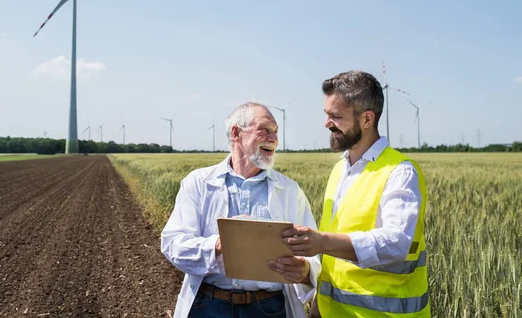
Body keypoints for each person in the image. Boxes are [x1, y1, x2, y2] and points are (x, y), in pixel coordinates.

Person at [281, 71, 430, 317]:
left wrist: (321, 241)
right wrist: (319, 302)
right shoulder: (340, 169)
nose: (327, 124)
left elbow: (396, 243)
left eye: (335, 116)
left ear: (367, 119)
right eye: (326, 115)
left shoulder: (401, 172)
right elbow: (335, 255)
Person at [161, 102, 321, 318]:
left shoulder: (290, 190)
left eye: (275, 131)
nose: (273, 138)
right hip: (208, 306)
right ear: (236, 133)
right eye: (265, 129)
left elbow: (313, 252)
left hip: (269, 309)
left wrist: (304, 271)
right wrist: (219, 244)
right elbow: (172, 244)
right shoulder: (197, 183)